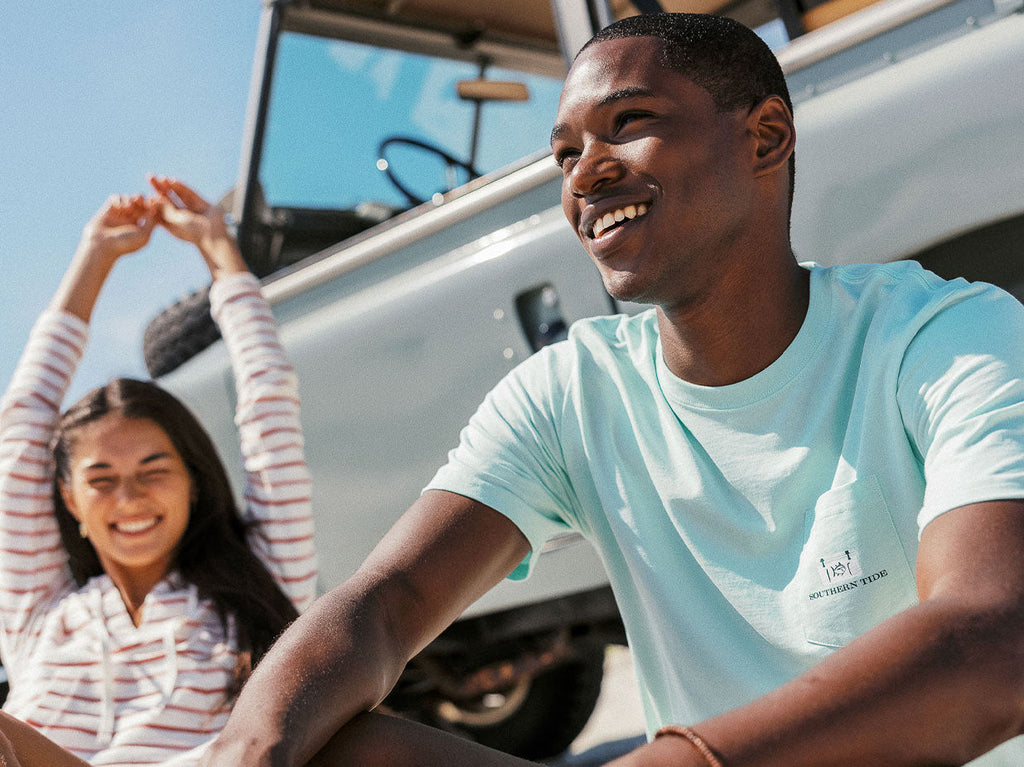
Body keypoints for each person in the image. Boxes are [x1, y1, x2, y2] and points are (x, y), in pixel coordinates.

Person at [203, 12, 1024, 767]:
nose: (585, 175)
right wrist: (252, 741)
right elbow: (387, 601)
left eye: (629, 124)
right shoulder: (573, 390)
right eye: (564, 154)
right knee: (335, 746)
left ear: (767, 138)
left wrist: (679, 759)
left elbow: (997, 641)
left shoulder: (942, 337)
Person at [0, 177, 318, 766]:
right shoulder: (40, 617)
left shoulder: (262, 581)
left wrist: (219, 250)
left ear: (193, 482)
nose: (130, 497)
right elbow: (20, 428)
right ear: (70, 501)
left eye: (153, 470)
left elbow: (269, 401)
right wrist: (94, 256)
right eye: (101, 480)